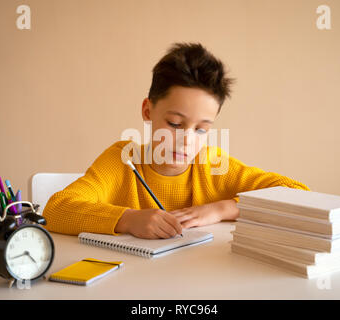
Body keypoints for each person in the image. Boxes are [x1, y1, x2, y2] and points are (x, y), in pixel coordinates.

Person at [43, 42, 309, 239]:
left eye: (201, 130)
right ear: (148, 111)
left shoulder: (213, 165)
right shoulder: (122, 160)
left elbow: (298, 194)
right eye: (174, 124)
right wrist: (128, 219)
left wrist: (222, 209)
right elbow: (56, 209)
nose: (186, 141)